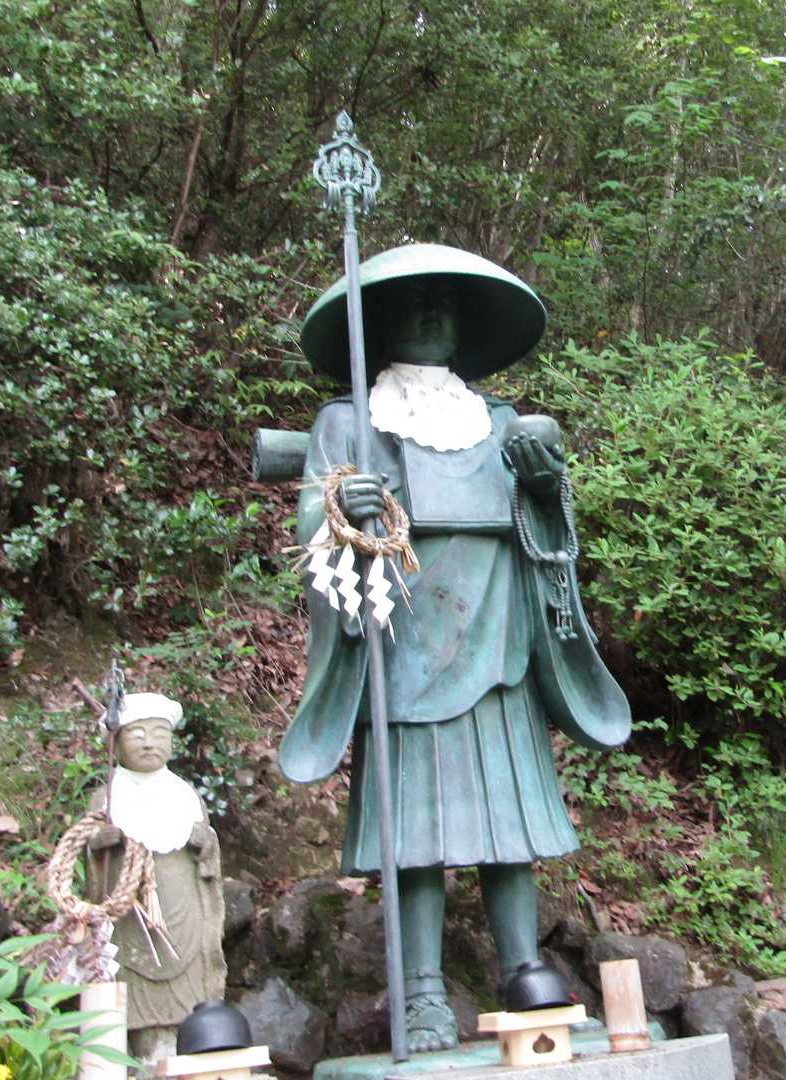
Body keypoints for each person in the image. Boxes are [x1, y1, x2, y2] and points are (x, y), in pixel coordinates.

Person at [281, 243, 630, 1052]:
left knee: (511, 823)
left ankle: (525, 973)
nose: (432, 313)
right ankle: (423, 993)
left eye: (445, 302)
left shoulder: (500, 422)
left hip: (500, 634)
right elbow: (312, 523)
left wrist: (542, 487)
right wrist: (344, 507)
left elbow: (548, 530)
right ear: (384, 320)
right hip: (405, 636)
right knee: (418, 832)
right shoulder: (348, 421)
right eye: (416, 301)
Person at [85, 692, 228, 1066]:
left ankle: (190, 1042)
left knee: (190, 977)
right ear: (117, 744)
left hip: (183, 908)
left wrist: (205, 844)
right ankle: (140, 1052)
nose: (149, 743)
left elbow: (208, 854)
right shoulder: (108, 796)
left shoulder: (185, 794)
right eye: (138, 735)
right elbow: (87, 853)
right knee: (130, 971)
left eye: (159, 734)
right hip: (131, 915)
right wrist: (99, 845)